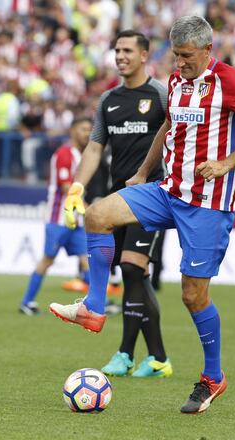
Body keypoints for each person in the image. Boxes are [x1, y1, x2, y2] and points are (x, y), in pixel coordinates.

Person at [50, 16, 235, 413]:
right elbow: (169, 126)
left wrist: (226, 163)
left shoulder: (231, 82)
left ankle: (212, 378)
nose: (180, 63)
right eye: (176, 56)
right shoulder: (176, 82)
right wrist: (140, 174)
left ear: (208, 49)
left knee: (193, 296)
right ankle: (94, 307)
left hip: (206, 204)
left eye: (187, 56)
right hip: (167, 190)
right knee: (98, 215)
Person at [53, 30, 172, 378]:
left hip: (152, 196)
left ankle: (126, 353)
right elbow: (94, 148)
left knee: (134, 268)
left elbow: (176, 133)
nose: (120, 55)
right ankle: (155, 357)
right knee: (130, 273)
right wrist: (77, 186)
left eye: (127, 50)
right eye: (117, 50)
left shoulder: (161, 95)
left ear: (145, 55)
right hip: (117, 200)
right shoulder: (109, 100)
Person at [19, 117, 92, 315]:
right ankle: (27, 302)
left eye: (89, 129)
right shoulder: (64, 154)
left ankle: (96, 303)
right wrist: (90, 208)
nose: (87, 133)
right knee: (48, 259)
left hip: (75, 220)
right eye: (83, 129)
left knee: (86, 259)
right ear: (73, 131)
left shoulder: (80, 154)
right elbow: (67, 187)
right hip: (58, 218)